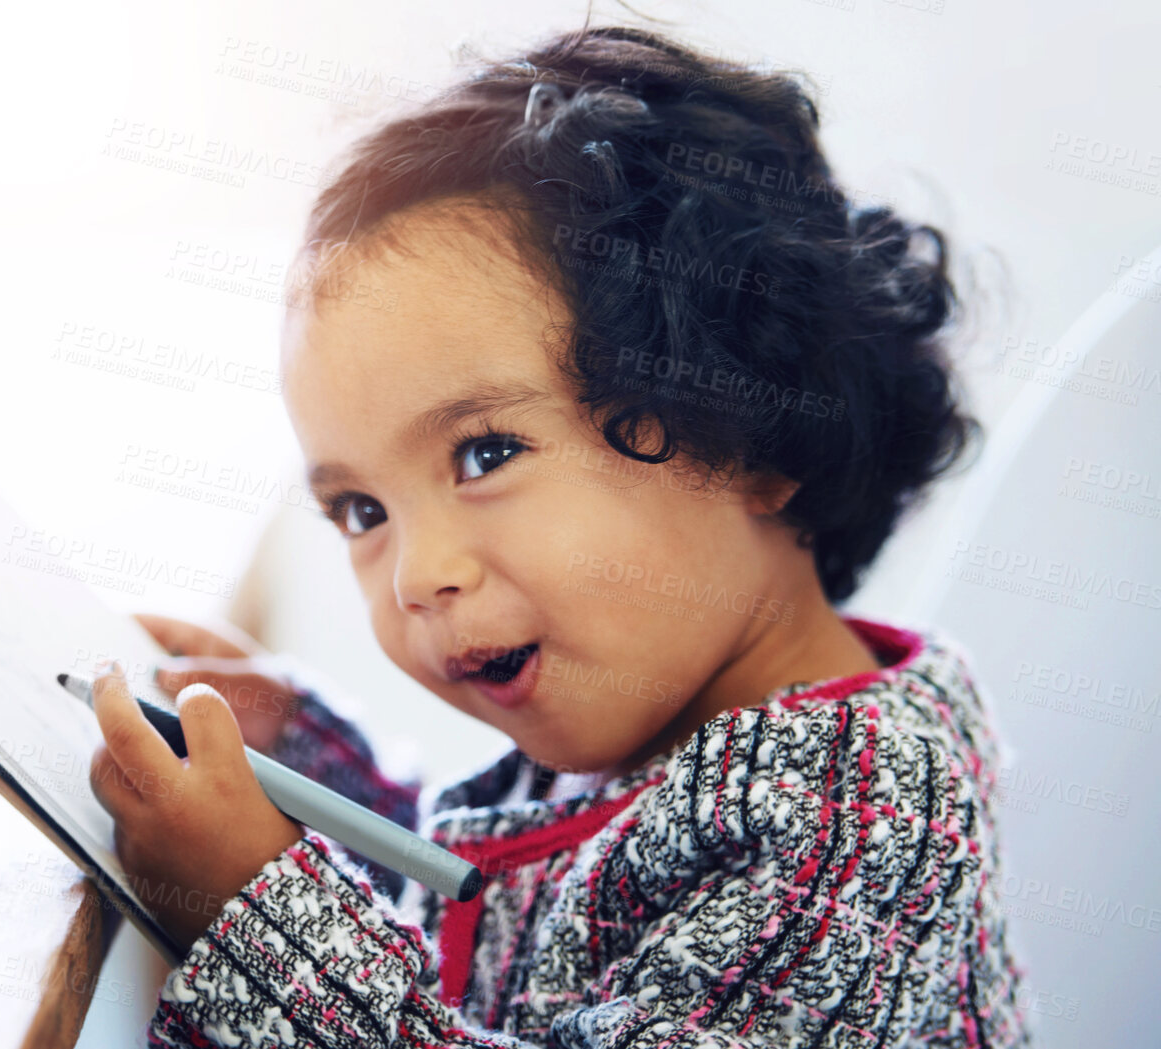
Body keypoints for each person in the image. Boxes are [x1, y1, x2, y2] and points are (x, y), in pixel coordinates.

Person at [83, 24, 1034, 1048]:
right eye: (362, 511)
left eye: (485, 453)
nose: (417, 575)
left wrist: (255, 924)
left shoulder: (852, 817)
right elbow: (501, 900)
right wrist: (304, 756)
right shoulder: (653, 712)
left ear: (757, 427)